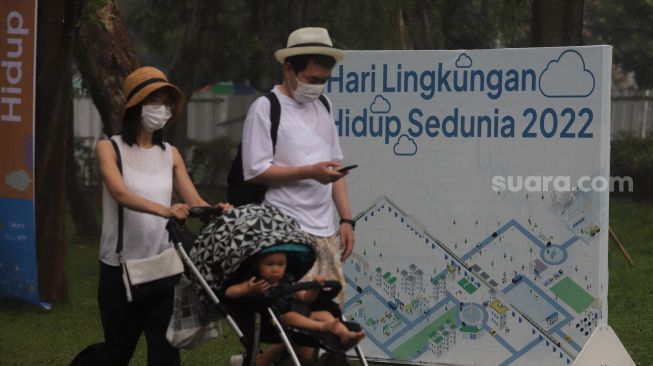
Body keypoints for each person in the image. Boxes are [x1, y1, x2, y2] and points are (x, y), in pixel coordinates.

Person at [93, 66, 231, 366]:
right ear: (135, 105)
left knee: (166, 352)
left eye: (167, 103)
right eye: (154, 101)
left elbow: (193, 199)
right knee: (117, 350)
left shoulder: (170, 153)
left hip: (164, 266)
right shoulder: (109, 148)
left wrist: (215, 210)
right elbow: (121, 194)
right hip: (120, 269)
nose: (162, 109)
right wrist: (165, 210)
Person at [241, 27, 354, 308]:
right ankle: (256, 355)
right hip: (285, 229)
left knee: (327, 314)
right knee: (294, 316)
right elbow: (255, 171)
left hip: (325, 229)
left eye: (325, 81)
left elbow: (335, 167)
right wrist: (310, 172)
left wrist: (347, 220)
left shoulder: (324, 105)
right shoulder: (266, 107)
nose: (318, 87)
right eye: (312, 79)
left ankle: (253, 356)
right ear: (289, 69)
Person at [225, 251, 365, 366]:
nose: (276, 269)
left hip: (303, 314)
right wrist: (247, 288)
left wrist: (315, 288)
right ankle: (323, 326)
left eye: (281, 264)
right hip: (276, 319)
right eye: (269, 264)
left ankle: (344, 333)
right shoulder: (256, 282)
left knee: (325, 313)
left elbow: (305, 298)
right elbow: (229, 292)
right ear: (257, 265)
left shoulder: (287, 281)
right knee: (291, 316)